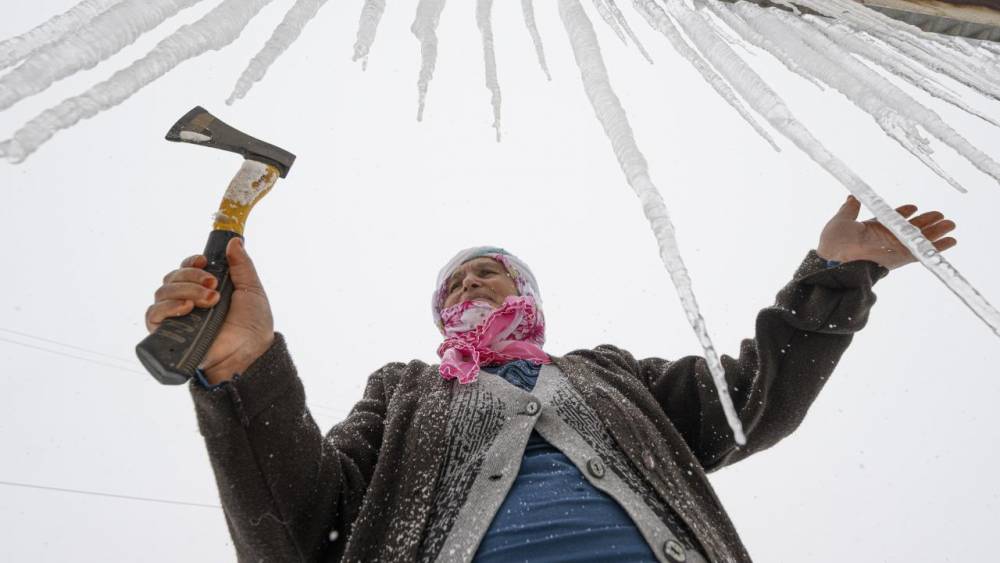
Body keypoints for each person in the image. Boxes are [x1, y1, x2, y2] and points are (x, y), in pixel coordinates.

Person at [145, 196, 956, 562]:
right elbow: (297, 532)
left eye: (488, 273)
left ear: (526, 294)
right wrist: (242, 369)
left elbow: (753, 400)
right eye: (454, 283)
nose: (469, 284)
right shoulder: (404, 392)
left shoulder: (608, 375)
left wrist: (834, 277)